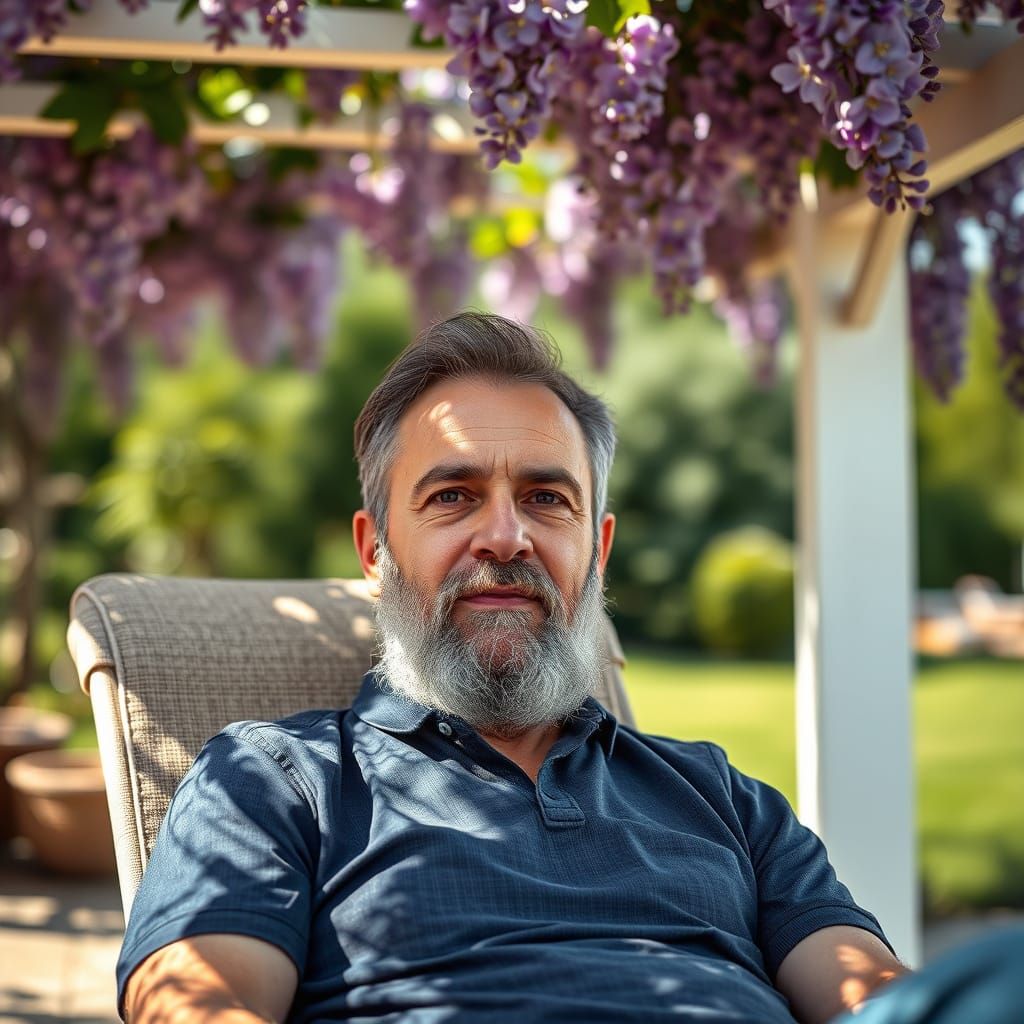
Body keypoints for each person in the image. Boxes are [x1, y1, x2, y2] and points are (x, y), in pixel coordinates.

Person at [116, 312, 1021, 1024]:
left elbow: (871, 995)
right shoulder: (275, 779)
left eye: (547, 499)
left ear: (598, 547)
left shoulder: (719, 795)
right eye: (453, 497)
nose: (505, 536)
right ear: (376, 549)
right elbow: (199, 1005)